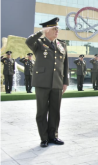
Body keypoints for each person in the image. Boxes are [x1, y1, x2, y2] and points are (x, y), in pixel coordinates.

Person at [25, 17, 68, 147]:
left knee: (55, 111)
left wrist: (65, 82)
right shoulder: (38, 43)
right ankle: (44, 138)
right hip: (42, 82)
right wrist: (41, 32)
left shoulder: (62, 44)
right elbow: (28, 41)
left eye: (57, 29)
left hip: (57, 82)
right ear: (47, 30)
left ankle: (53, 136)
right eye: (54, 29)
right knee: (42, 111)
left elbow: (65, 65)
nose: (57, 31)